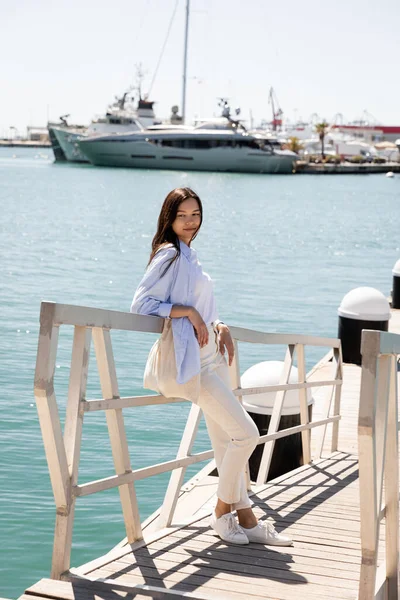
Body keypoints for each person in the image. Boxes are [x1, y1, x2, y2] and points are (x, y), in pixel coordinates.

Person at [131, 187, 292, 547]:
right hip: (196, 365)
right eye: (182, 216)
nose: (190, 222)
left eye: (195, 215)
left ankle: (247, 517)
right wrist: (186, 312)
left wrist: (219, 324)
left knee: (225, 441)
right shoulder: (169, 254)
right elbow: (141, 304)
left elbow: (201, 304)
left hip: (213, 358)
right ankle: (222, 512)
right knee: (247, 434)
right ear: (169, 219)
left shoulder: (189, 255)